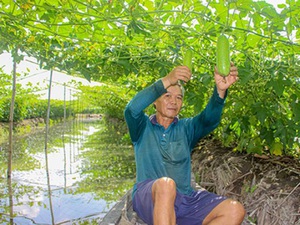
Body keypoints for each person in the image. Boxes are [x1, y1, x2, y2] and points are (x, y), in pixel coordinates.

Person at [124, 63, 246, 225]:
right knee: (166, 185)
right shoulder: (142, 127)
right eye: (167, 96)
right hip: (150, 197)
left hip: (185, 200)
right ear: (154, 101)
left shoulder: (187, 128)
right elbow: (131, 109)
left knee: (234, 209)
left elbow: (208, 120)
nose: (173, 101)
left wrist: (220, 91)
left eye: (178, 97)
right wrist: (167, 80)